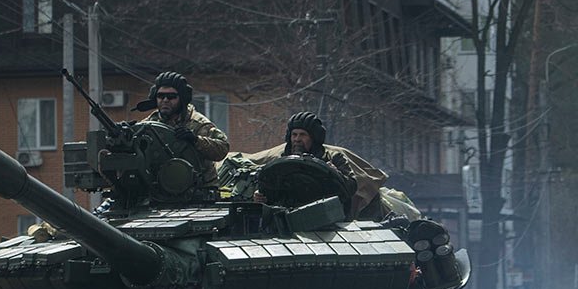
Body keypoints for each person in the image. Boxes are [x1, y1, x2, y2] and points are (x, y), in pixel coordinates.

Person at [246, 111, 391, 218]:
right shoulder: (280, 163)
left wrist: (336, 174)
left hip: (328, 219)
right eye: (294, 134)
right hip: (288, 219)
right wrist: (261, 197)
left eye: (303, 135)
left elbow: (350, 188)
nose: (297, 139)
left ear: (313, 137)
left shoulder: (334, 158)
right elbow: (270, 191)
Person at [134, 71, 230, 187]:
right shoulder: (149, 125)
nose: (165, 100)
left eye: (171, 96)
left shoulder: (197, 123)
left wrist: (195, 140)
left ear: (182, 98)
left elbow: (222, 149)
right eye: (160, 96)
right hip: (160, 189)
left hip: (199, 189)